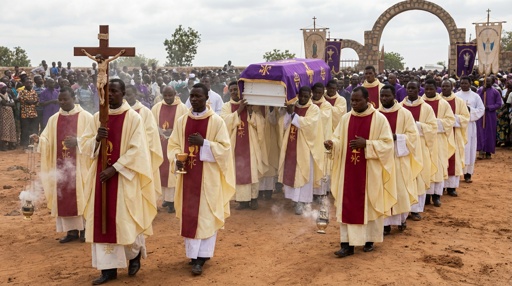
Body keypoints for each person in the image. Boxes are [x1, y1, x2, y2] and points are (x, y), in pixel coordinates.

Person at [79, 79, 156, 285]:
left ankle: (134, 255)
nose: (110, 95)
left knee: (125, 220)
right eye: (107, 91)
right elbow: (84, 146)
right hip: (100, 178)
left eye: (114, 91)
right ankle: (108, 270)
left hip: (123, 178)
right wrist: (96, 139)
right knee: (102, 220)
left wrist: (115, 168)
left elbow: (137, 150)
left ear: (123, 93)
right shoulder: (97, 117)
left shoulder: (133, 118)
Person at [167, 83, 235, 276]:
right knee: (190, 215)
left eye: (198, 96)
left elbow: (225, 149)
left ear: (207, 99)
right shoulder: (182, 121)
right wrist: (176, 159)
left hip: (208, 178)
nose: (194, 99)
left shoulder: (216, 121)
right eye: (192, 96)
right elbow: (173, 145)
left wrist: (204, 143)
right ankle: (192, 255)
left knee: (205, 214)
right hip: (187, 176)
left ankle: (202, 257)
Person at [325, 86, 396, 257]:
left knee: (369, 204)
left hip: (369, 172)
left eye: (358, 100)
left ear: (367, 100)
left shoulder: (379, 119)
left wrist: (368, 144)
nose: (354, 103)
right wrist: (332, 144)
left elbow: (387, 144)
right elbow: (338, 139)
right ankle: (346, 244)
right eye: (352, 101)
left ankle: (369, 240)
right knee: (347, 204)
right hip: (347, 172)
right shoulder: (346, 119)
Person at [38, 87, 94, 243]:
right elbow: (46, 138)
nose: (62, 102)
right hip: (61, 166)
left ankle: (84, 229)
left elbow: (95, 139)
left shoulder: (86, 117)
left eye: (65, 99)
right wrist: (39, 140)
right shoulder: (54, 119)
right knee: (63, 195)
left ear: (74, 98)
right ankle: (71, 232)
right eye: (60, 100)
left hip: (81, 165)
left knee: (82, 195)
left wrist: (78, 142)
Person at [379, 85, 422, 234]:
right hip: (382, 160)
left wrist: (397, 137)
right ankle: (385, 224)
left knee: (399, 190)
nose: (384, 99)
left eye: (387, 96)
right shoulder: (377, 114)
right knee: (383, 190)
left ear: (394, 96)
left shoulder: (404, 114)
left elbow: (413, 135)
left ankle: (401, 220)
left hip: (398, 158)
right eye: (382, 96)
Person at [278, 86, 324, 215]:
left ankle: (302, 201)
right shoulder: (293, 106)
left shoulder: (313, 108)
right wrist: (287, 112)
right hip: (291, 144)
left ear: (310, 95)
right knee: (292, 172)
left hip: (305, 147)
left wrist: (293, 114)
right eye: (301, 96)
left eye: (306, 96)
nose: (303, 98)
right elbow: (284, 124)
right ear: (298, 95)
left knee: (303, 172)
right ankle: (294, 199)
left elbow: (310, 124)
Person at [220, 81, 266, 210]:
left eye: (237, 90)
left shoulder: (250, 104)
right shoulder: (226, 106)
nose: (235, 92)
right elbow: (223, 122)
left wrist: (251, 113)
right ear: (229, 91)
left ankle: (254, 198)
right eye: (232, 90)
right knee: (237, 171)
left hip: (251, 144)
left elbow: (261, 123)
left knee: (253, 169)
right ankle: (242, 201)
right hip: (235, 144)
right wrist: (239, 111)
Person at [125, 85, 163, 216]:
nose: (126, 97)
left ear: (135, 94)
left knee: (142, 182)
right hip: (124, 156)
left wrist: (135, 145)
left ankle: (144, 210)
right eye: (124, 95)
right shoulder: (118, 111)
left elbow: (151, 134)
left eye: (129, 94)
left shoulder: (145, 112)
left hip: (142, 155)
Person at [401, 81, 437, 221]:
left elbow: (433, 127)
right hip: (404, 146)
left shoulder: (426, 108)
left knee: (419, 175)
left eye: (413, 88)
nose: (410, 90)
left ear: (418, 90)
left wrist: (417, 125)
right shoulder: (400, 107)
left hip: (420, 146)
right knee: (405, 176)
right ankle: (404, 209)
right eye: (408, 88)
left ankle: (416, 209)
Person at [151, 86, 188, 213]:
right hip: (160, 143)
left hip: (175, 144)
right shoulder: (156, 108)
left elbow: (185, 125)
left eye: (170, 95)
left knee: (173, 171)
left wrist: (173, 133)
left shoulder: (182, 108)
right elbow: (151, 125)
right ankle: (166, 199)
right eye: (165, 95)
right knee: (162, 171)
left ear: (175, 94)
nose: (168, 98)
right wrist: (160, 132)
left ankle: (173, 201)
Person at [422, 79, 455, 203]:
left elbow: (450, 120)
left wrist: (433, 124)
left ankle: (436, 195)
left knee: (439, 165)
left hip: (439, 139)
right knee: (426, 165)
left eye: (431, 89)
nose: (429, 91)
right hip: (425, 140)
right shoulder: (421, 103)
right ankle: (425, 195)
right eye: (427, 89)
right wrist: (426, 127)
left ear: (436, 89)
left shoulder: (443, 104)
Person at [440, 79, 470, 196]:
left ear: (452, 87)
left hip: (454, 134)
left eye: (447, 86)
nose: (445, 88)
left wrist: (453, 119)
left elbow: (465, 117)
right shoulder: (437, 100)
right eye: (443, 86)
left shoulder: (459, 101)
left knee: (454, 159)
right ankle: (441, 186)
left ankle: (452, 187)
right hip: (442, 135)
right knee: (442, 158)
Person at [455, 76, 485, 183]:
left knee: (470, 149)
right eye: (462, 83)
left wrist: (469, 110)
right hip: (459, 126)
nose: (463, 85)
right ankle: (458, 173)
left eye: (466, 83)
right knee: (459, 149)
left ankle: (468, 174)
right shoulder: (456, 96)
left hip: (470, 126)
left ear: (470, 83)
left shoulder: (475, 97)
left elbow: (481, 110)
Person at [312, 82, 333, 198]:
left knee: (321, 164)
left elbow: (323, 119)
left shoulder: (327, 105)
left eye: (320, 93)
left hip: (322, 138)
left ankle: (320, 193)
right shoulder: (307, 102)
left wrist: (313, 111)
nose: (317, 95)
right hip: (311, 138)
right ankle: (311, 191)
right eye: (315, 92)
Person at [477, 77, 503, 159]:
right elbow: (476, 100)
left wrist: (489, 107)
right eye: (485, 81)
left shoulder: (495, 92)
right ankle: (481, 151)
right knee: (480, 132)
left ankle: (488, 152)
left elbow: (499, 104)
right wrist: (482, 92)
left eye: (489, 81)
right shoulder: (480, 90)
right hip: (481, 115)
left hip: (490, 115)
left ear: (492, 82)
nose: (487, 83)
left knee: (490, 133)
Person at [18, 78, 39, 147]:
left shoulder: (34, 91)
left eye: (30, 83)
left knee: (34, 129)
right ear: (24, 84)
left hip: (34, 113)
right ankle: (24, 144)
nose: (29, 84)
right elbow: (27, 101)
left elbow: (36, 101)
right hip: (25, 114)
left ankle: (33, 143)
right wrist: (32, 102)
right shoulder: (21, 92)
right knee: (25, 130)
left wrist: (31, 102)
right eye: (27, 83)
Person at [0, 82, 17, 150]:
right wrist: (8, 103)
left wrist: (7, 104)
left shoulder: (9, 95)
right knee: (3, 128)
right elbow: (3, 103)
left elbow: (13, 104)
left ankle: (11, 144)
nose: (5, 89)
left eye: (5, 88)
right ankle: (3, 145)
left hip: (10, 114)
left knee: (11, 127)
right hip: (2, 114)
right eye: (3, 88)